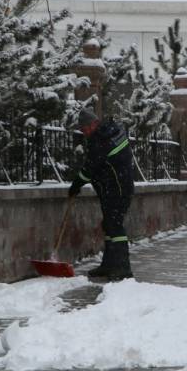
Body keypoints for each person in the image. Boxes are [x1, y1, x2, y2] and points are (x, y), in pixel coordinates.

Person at [68, 108, 135, 280]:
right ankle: (109, 265)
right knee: (109, 224)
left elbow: (91, 167)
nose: (84, 132)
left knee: (114, 225)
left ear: (93, 123)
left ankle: (123, 267)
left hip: (117, 188)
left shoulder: (101, 139)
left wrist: (77, 184)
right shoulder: (111, 132)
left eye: (85, 129)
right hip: (115, 186)